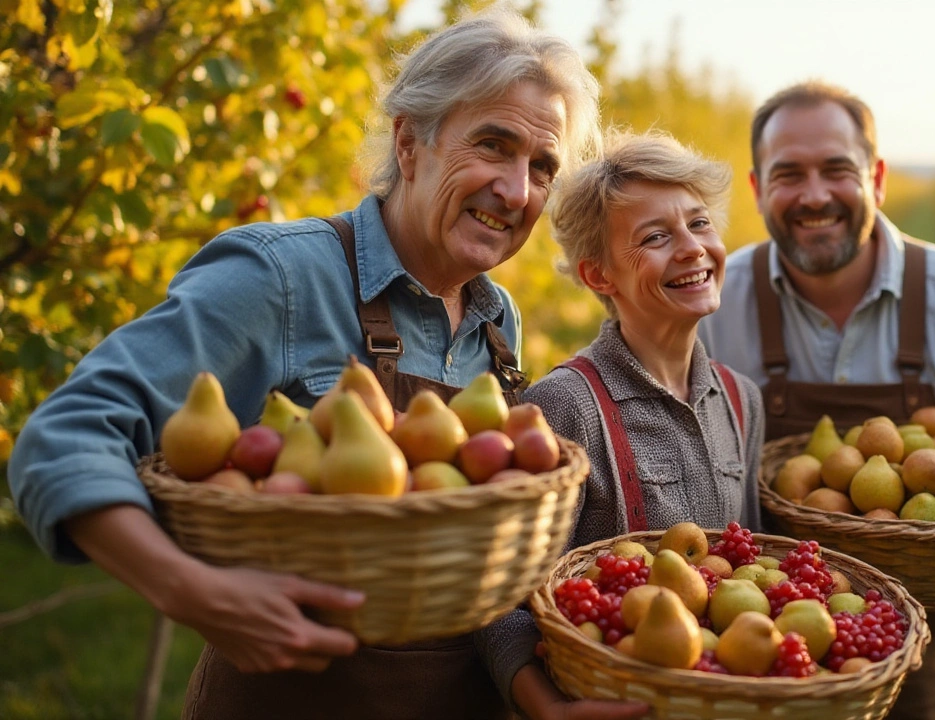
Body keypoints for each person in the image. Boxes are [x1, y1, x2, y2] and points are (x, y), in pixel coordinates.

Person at [7, 9, 601, 719]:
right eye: (492, 145)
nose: (516, 190)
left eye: (542, 167)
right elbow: (61, 440)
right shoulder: (283, 277)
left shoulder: (496, 319)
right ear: (409, 141)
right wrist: (192, 591)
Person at [697, 81, 935, 720]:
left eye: (837, 169)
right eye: (789, 175)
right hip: (759, 658)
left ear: (878, 177)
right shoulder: (710, 308)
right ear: (759, 191)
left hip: (929, 659)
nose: (814, 195)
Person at [474, 132, 765, 719]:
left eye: (700, 223)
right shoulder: (564, 408)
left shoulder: (741, 400)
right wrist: (546, 708)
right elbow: (499, 602)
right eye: (656, 237)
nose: (692, 248)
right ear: (599, 276)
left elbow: (755, 565)